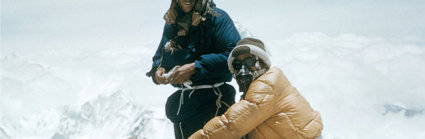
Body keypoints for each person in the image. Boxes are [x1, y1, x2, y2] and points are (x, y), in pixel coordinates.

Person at [189, 38, 323, 139]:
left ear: (262, 64)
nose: (243, 69)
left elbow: (231, 125)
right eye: (237, 64)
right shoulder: (266, 84)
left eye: (249, 62)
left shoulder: (266, 86)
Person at [145, 0, 241, 138]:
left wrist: (195, 67)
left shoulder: (217, 17)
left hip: (215, 101)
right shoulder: (172, 22)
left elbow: (234, 56)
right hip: (185, 108)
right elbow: (160, 57)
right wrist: (158, 71)